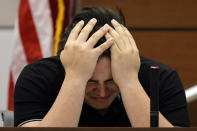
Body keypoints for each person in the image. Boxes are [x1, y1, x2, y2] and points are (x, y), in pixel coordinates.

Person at [14, 7, 190, 127]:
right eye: (90, 82)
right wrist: (75, 78)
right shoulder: (38, 77)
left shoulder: (160, 77)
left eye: (111, 81)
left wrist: (128, 81)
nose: (102, 92)